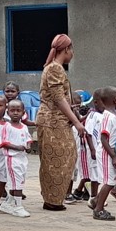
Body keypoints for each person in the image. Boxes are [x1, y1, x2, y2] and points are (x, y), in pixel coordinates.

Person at [36, 34, 84, 211]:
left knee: (63, 158)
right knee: (57, 160)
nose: (72, 54)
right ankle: (52, 200)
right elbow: (58, 99)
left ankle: (54, 198)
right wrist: (76, 122)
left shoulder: (54, 68)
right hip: (53, 122)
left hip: (56, 121)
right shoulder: (55, 69)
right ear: (66, 50)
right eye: (72, 50)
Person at [0, 99, 33, 217]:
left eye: (18, 110)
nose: (15, 113)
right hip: (12, 158)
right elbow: (3, 142)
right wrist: (17, 147)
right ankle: (18, 206)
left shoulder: (24, 126)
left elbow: (28, 139)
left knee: (19, 180)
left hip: (22, 159)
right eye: (12, 110)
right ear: (8, 112)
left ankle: (9, 202)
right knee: (16, 182)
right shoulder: (6, 127)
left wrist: (28, 146)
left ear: (23, 112)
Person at [92, 86, 116, 221]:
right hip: (106, 152)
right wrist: (113, 156)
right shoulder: (108, 117)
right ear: (115, 100)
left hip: (110, 151)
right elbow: (104, 138)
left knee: (111, 179)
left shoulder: (113, 116)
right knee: (108, 182)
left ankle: (96, 200)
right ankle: (98, 209)